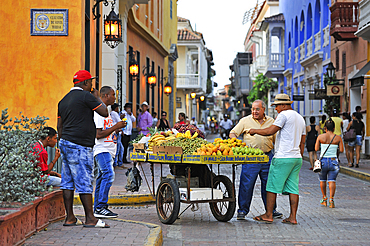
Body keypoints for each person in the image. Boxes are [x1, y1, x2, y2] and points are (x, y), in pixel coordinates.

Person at [58, 70, 110, 228]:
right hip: (80, 145)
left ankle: (70, 218)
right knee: (85, 181)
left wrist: (64, 141)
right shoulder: (87, 96)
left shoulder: (63, 100)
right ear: (86, 83)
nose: (93, 86)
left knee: (67, 182)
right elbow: (104, 112)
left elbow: (59, 126)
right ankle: (90, 219)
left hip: (65, 143)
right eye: (91, 83)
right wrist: (96, 97)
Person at [249, 94, 306, 225]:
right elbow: (302, 141)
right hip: (296, 158)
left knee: (271, 186)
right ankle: (293, 217)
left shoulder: (284, 115)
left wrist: (255, 131)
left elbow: (271, 131)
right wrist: (299, 155)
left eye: (277, 106)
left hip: (283, 157)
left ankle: (268, 214)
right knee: (293, 188)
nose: (276, 109)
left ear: (284, 105)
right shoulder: (300, 118)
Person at [229, 100, 282, 220]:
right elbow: (233, 133)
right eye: (253, 109)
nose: (254, 111)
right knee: (246, 185)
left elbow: (276, 140)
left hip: (267, 157)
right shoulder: (245, 121)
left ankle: (271, 210)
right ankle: (242, 210)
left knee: (269, 186)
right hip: (250, 158)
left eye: (257, 109)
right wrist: (237, 144)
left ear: (263, 109)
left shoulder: (271, 122)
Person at [93, 86, 127, 218]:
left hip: (108, 150)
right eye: (113, 95)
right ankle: (101, 206)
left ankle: (98, 208)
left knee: (102, 177)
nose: (115, 97)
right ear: (105, 96)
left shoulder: (106, 111)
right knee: (108, 174)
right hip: (102, 150)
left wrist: (116, 129)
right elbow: (98, 134)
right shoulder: (99, 112)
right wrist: (116, 127)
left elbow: (106, 131)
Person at [315, 119, 343, 208]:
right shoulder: (338, 138)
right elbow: (341, 150)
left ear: (325, 128)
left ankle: (324, 198)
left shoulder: (320, 137)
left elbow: (316, 149)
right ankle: (331, 200)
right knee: (332, 181)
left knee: (322, 180)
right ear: (334, 128)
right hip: (333, 161)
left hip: (323, 161)